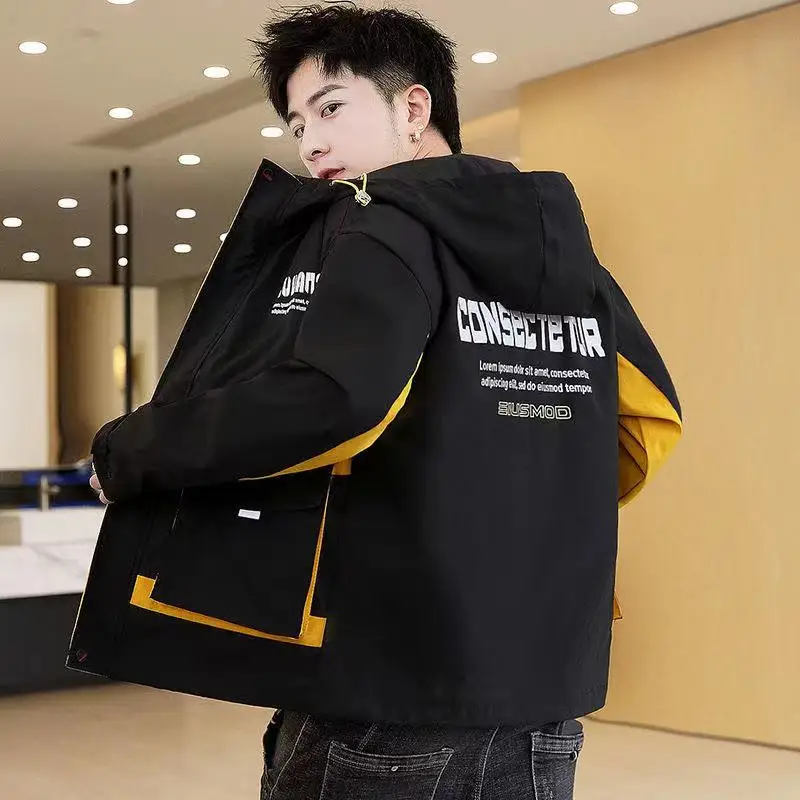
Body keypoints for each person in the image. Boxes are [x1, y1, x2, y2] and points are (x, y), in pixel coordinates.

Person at [78, 4, 682, 799]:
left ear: (414, 107)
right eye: (297, 125)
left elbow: (330, 399)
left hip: (391, 689)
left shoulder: (384, 223)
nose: (310, 143)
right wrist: (518, 518)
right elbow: (646, 424)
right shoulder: (570, 259)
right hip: (543, 697)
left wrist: (129, 452)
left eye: (330, 108)